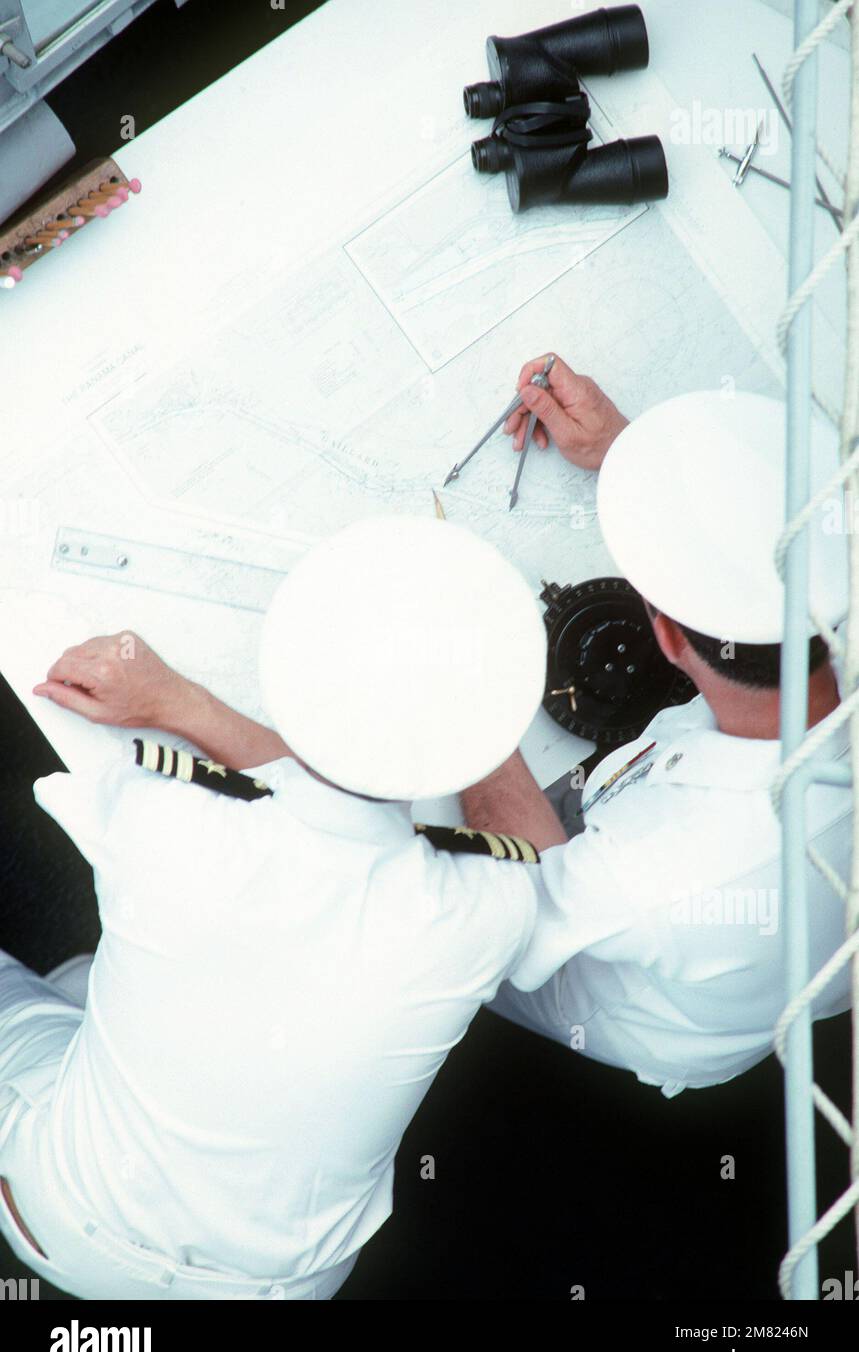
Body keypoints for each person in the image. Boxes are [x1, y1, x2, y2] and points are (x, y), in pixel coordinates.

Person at [0, 516, 560, 1300]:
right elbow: (540, 854)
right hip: (289, 1287)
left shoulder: (167, 815)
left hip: (69, 1217)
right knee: (110, 983)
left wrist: (178, 702)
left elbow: (274, 795)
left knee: (100, 982)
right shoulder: (487, 911)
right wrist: (459, 702)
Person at [463, 355, 852, 1097]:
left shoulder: (670, 867)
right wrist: (632, 462)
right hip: (776, 979)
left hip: (624, 1005)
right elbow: (779, 548)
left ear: (666, 641)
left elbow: (518, 908)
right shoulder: (839, 582)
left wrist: (464, 703)